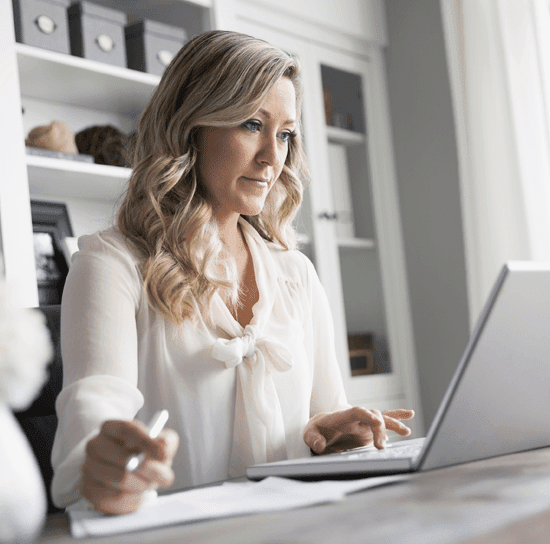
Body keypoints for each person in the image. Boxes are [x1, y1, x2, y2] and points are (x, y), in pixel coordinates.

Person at [51, 30, 414, 515]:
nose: (273, 156)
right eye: (250, 124)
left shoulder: (297, 275)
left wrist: (337, 437)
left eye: (285, 133)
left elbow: (322, 417)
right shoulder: (111, 264)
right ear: (189, 128)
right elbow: (92, 431)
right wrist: (108, 471)